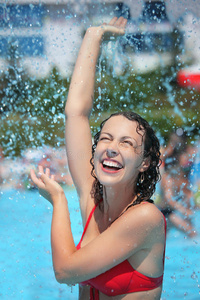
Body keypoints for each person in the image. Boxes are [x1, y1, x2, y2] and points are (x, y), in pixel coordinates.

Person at [31, 17, 166, 300]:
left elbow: (65, 271)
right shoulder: (94, 201)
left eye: (127, 143)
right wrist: (94, 35)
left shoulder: (146, 218)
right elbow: (76, 113)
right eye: (105, 138)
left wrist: (58, 200)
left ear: (144, 162)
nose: (112, 148)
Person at [159, 130, 196, 237]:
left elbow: (188, 196)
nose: (187, 163)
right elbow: (169, 199)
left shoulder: (181, 179)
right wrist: (184, 210)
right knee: (193, 233)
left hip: (173, 212)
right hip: (166, 213)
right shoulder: (168, 178)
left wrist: (189, 210)